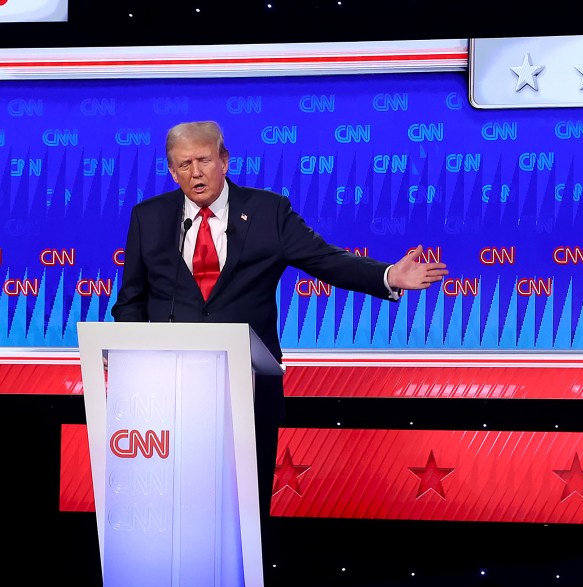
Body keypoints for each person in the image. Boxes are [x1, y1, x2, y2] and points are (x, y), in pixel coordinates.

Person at [111, 119, 448, 530]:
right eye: (183, 165)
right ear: (171, 170)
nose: (195, 173)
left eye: (203, 160)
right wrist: (132, 362)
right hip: (171, 393)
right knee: (174, 509)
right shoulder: (150, 217)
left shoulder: (270, 212)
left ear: (224, 161)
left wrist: (387, 276)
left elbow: (325, 260)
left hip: (248, 387)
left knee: (244, 512)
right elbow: (131, 300)